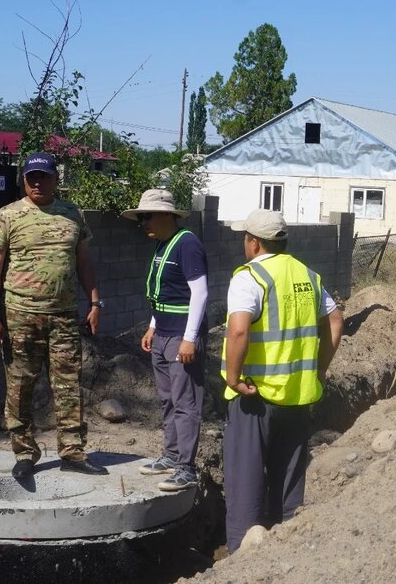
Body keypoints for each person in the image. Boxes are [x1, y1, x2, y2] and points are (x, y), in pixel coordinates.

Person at [221, 209, 344, 553]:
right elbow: (335, 321)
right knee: (289, 486)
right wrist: (318, 371)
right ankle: (285, 553)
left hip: (253, 397)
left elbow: (239, 329)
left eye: (245, 238)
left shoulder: (250, 277)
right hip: (298, 396)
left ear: (254, 243)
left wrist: (233, 377)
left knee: (245, 488)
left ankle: (241, 563)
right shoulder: (308, 276)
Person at [0, 152, 106, 479]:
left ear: (55, 179)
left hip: (64, 316)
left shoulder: (72, 214)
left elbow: (84, 263)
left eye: (44, 176)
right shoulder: (7, 216)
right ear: (23, 179)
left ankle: (72, 451)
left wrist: (95, 303)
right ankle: (24, 453)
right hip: (21, 315)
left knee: (69, 386)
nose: (38, 182)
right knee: (20, 386)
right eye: (31, 177)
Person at [122, 189, 210, 492]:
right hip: (163, 334)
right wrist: (152, 326)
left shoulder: (187, 244)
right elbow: (164, 293)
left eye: (147, 216)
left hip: (181, 338)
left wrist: (189, 339)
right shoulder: (163, 245)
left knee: (186, 403)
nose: (143, 222)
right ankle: (171, 456)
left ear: (165, 215)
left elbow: (199, 293)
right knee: (168, 399)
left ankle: (186, 468)